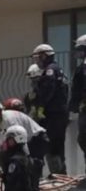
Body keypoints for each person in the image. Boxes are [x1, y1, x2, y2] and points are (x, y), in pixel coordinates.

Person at [0, 97, 47, 191]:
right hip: (26, 141)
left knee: (30, 170)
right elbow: (1, 145)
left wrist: (26, 158)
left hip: (36, 139)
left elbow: (21, 138)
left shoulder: (9, 119)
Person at [31, 43, 69, 175]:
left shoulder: (50, 70)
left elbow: (48, 90)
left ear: (44, 56)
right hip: (60, 112)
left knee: (51, 144)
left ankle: (57, 173)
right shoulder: (59, 69)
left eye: (38, 58)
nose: (37, 61)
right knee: (58, 144)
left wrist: (41, 106)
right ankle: (60, 173)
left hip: (53, 114)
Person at [0, 125, 38, 191]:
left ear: (18, 140)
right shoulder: (27, 158)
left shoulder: (15, 161)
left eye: (10, 140)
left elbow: (12, 185)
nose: (7, 142)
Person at [70, 34, 86, 170]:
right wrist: (73, 106)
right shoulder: (82, 68)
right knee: (83, 139)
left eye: (81, 49)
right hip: (84, 109)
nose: (79, 53)